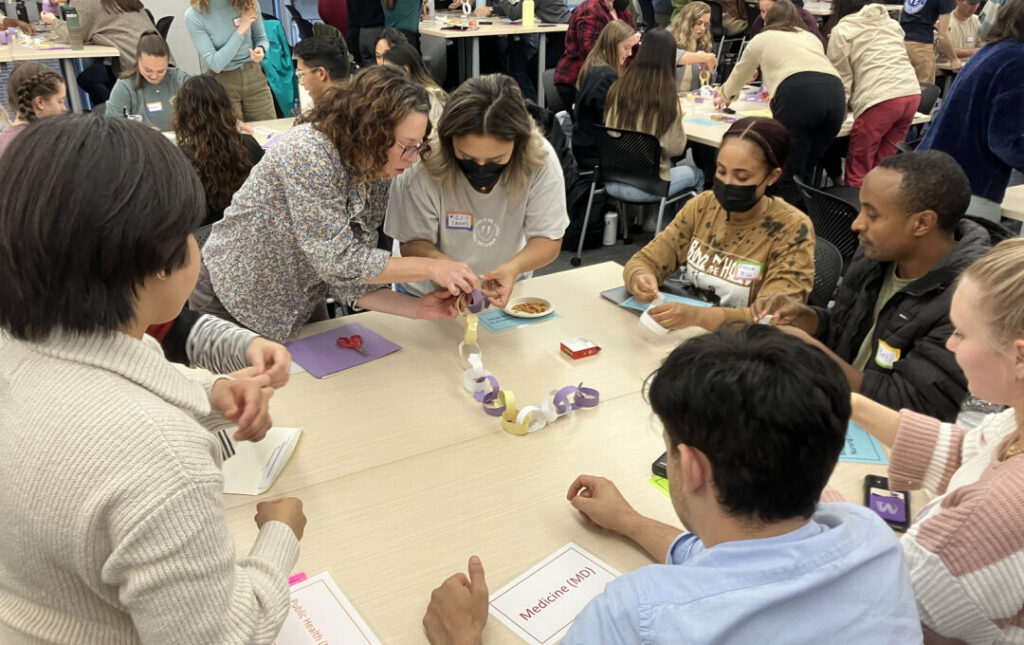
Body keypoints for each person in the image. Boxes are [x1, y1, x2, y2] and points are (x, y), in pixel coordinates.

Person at [0, 114, 306, 644]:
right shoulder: (162, 462)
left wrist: (211, 391)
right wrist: (281, 534)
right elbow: (228, 636)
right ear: (155, 261)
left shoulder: (23, 344)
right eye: (189, 233)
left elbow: (119, 376)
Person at [423, 325, 922, 645]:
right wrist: (633, 523)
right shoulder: (871, 538)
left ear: (692, 467)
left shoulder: (637, 616)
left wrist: (462, 638)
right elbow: (744, 564)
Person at [190, 65, 478, 342]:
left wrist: (415, 308)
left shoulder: (375, 171)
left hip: (295, 303)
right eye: (407, 146)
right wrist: (432, 267)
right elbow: (336, 260)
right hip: (231, 300)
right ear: (371, 132)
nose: (413, 158)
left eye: (419, 146)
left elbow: (350, 273)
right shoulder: (309, 153)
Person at [849, 238, 1024, 643]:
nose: (950, 344)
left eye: (962, 333)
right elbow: (972, 453)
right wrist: (848, 404)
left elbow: (885, 609)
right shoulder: (1015, 422)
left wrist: (841, 520)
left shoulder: (987, 521)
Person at [752, 151, 1003, 421]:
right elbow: (846, 333)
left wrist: (812, 355)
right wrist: (808, 319)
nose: (856, 224)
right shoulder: (875, 256)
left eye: (872, 215)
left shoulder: (969, 302)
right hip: (835, 406)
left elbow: (909, 404)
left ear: (922, 223)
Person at [384, 74, 568, 306]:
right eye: (468, 158)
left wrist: (514, 268)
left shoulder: (539, 159)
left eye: (496, 159)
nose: (481, 169)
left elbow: (548, 236)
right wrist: (440, 268)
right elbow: (412, 242)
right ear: (449, 142)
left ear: (518, 144)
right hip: (425, 292)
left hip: (503, 288)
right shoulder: (423, 164)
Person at [622, 117, 814, 331]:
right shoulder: (703, 206)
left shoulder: (791, 228)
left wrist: (698, 317)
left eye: (742, 177)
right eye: (721, 171)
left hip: (745, 350)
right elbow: (646, 260)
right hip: (689, 336)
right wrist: (640, 278)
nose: (728, 183)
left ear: (771, 176)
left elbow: (772, 319)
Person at [721, 0, 845, 208]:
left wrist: (725, 95)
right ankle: (812, 225)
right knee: (805, 171)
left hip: (798, 96)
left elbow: (739, 74)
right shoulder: (809, 37)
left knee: (786, 174)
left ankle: (784, 230)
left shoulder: (762, 38)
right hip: (835, 94)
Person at [918, 0, 1024, 222]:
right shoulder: (1017, 61)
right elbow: (1005, 141)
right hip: (963, 189)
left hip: (936, 172)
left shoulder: (996, 50)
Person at [604, 26, 704, 228]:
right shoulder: (665, 99)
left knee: (669, 166)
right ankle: (675, 236)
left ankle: (659, 223)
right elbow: (675, 148)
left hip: (613, 177)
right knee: (696, 173)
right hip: (647, 184)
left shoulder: (617, 88)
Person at [827, 0, 921, 187]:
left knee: (859, 166)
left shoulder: (843, 30)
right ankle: (880, 210)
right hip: (910, 93)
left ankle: (854, 211)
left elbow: (840, 78)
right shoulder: (891, 24)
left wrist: (838, 114)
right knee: (884, 165)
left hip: (880, 98)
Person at [173, 75, 265, 227]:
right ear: (226, 107)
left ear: (183, 114)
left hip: (205, 240)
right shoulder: (248, 144)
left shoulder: (181, 158)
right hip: (250, 232)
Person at [40, 0, 155, 105]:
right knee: (87, 78)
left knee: (87, 79)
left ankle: (114, 113)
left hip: (132, 64)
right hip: (154, 56)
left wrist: (53, 22)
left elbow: (74, 36)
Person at [185, 0, 277, 121]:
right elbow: (216, 64)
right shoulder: (194, 15)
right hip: (221, 83)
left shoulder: (249, 3)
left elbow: (261, 38)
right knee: (231, 135)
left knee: (269, 129)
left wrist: (261, 49)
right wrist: (241, 30)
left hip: (254, 76)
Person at [465, 0, 572, 102]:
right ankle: (534, 103)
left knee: (530, 68)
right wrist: (493, 10)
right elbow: (518, 9)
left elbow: (514, 14)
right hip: (557, 33)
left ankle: (536, 106)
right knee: (524, 64)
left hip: (564, 35)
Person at [572, 20, 638, 167]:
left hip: (584, 142)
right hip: (596, 149)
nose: (630, 53)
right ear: (612, 45)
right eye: (626, 48)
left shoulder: (593, 63)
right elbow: (615, 122)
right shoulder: (606, 76)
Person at [554, 0, 635, 111]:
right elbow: (590, 53)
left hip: (609, 80)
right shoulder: (589, 10)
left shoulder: (623, 12)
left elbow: (632, 50)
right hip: (580, 81)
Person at [106, 31, 189, 132]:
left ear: (168, 63)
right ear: (138, 61)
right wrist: (138, 132)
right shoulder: (125, 86)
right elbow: (112, 126)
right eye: (148, 70)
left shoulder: (180, 79)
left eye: (161, 71)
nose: (154, 76)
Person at [0, 63, 66, 158]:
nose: (64, 108)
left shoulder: (3, 140)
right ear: (39, 102)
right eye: (60, 101)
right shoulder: (44, 145)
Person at [384, 43, 448, 125]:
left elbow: (433, 135)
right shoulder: (400, 93)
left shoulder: (430, 98)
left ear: (405, 71)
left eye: (388, 71)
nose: (384, 76)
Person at [899, 0, 960, 82]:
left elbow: (914, 19)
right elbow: (943, 35)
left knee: (904, 88)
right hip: (921, 47)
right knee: (925, 90)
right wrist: (954, 59)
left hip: (901, 45)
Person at [667, 2, 717, 94]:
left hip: (692, 99)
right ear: (687, 22)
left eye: (706, 24)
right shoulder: (668, 38)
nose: (702, 28)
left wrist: (708, 71)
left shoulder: (703, 43)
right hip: (669, 98)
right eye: (699, 23)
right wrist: (704, 57)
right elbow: (674, 56)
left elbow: (709, 84)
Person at [293, 35, 352, 109]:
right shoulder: (356, 104)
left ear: (321, 74)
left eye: (301, 74)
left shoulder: (335, 116)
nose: (301, 82)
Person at [749, 0, 825, 44]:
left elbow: (817, 45)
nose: (765, 15)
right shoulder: (759, 22)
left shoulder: (804, 18)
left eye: (770, 10)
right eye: (762, 11)